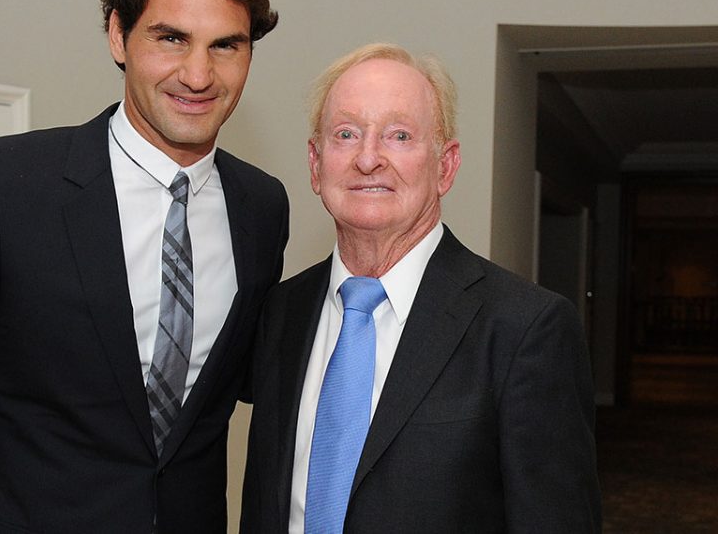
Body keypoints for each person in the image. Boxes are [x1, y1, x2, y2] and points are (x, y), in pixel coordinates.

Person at [0, 0, 287, 532]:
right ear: (118, 35)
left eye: (226, 45)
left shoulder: (262, 205)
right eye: (171, 38)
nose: (198, 74)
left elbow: (246, 378)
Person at [240, 43, 600, 534]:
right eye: (346, 134)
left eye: (399, 135)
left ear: (445, 166)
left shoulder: (524, 330)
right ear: (315, 164)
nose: (369, 158)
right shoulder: (280, 312)